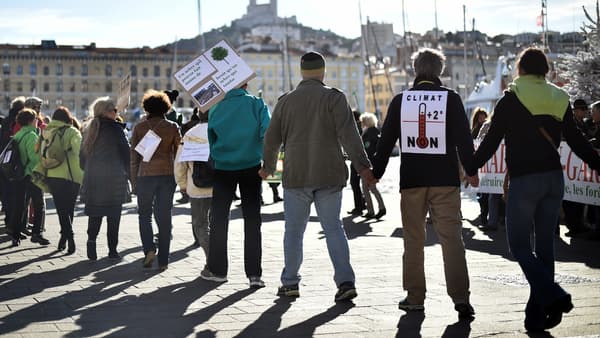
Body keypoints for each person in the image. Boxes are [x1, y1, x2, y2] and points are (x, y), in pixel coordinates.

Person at [466, 47, 600, 331]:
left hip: (525, 181)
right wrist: (598, 163)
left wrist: (471, 167)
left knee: (519, 246)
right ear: (545, 70)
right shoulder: (558, 96)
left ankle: (553, 294)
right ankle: (536, 317)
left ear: (520, 69)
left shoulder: (511, 98)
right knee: (544, 247)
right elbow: (576, 140)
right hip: (553, 179)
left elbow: (490, 142)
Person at [371, 48, 478, 318]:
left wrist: (377, 172)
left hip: (413, 180)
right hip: (445, 179)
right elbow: (464, 140)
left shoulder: (401, 100)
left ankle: (415, 297)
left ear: (415, 70)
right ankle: (461, 299)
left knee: (414, 240)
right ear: (440, 71)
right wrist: (472, 170)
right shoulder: (451, 100)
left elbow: (386, 141)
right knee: (452, 239)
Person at [260, 51, 375, 301]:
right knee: (334, 228)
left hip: (296, 175)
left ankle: (290, 282)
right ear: (323, 72)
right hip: (330, 174)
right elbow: (350, 135)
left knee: (293, 231)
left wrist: (268, 167)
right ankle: (345, 283)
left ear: (301, 72)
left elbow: (271, 140)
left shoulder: (285, 101)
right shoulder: (334, 98)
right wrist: (363, 167)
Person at [200, 82, 270, 289]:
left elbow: (211, 138)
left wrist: (219, 154)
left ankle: (218, 271)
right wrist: (267, 160)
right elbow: (267, 132)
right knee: (252, 220)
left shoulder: (216, 106)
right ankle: (254, 275)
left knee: (219, 219)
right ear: (246, 83)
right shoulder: (256, 103)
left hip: (223, 168)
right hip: (252, 166)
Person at [131, 90, 181, 271]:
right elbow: (179, 154)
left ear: (146, 107)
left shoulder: (139, 127)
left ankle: (149, 249)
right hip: (167, 176)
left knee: (144, 214)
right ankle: (164, 260)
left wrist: (134, 181)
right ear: (166, 107)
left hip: (145, 176)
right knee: (164, 216)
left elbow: (134, 157)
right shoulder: (173, 127)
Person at [81, 97, 131, 260]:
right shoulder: (115, 129)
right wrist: (129, 174)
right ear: (107, 112)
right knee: (113, 216)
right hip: (114, 179)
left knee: (95, 213)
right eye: (114, 110)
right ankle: (112, 251)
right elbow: (126, 154)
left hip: (93, 178)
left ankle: (91, 241)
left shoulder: (89, 129)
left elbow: (81, 158)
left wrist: (89, 170)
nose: (117, 113)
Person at [42, 107, 84, 253]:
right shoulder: (73, 131)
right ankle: (68, 236)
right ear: (68, 118)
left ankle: (66, 236)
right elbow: (80, 151)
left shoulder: (47, 132)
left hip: (54, 174)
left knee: (61, 209)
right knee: (69, 208)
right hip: (74, 175)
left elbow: (42, 153)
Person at [7, 109, 48, 247]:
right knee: (39, 204)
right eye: (36, 119)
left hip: (19, 175)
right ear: (31, 120)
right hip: (31, 175)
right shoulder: (31, 136)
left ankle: (15, 235)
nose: (38, 121)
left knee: (20, 206)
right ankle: (37, 233)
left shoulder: (18, 134)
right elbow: (35, 158)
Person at [174, 110, 212, 256]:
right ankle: (218, 260)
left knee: (200, 225)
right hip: (221, 187)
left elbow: (180, 163)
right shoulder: (222, 130)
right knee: (219, 225)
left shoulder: (190, 134)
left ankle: (211, 257)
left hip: (197, 187)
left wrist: (182, 184)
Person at [561, 98, 590, 237]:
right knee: (569, 196)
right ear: (576, 110)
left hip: (578, 167)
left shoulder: (583, 124)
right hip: (569, 165)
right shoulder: (570, 122)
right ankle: (572, 224)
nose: (584, 113)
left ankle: (578, 224)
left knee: (578, 196)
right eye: (582, 110)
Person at [359, 112, 386, 219]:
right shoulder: (375, 131)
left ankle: (373, 210)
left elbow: (367, 149)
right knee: (371, 188)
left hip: (367, 165)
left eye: (363, 121)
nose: (361, 123)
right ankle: (380, 208)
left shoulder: (368, 133)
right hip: (373, 163)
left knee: (367, 188)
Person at [347, 110, 366, 216]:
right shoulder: (360, 127)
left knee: (354, 183)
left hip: (356, 159)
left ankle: (359, 206)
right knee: (359, 184)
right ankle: (362, 203)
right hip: (359, 159)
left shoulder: (355, 127)